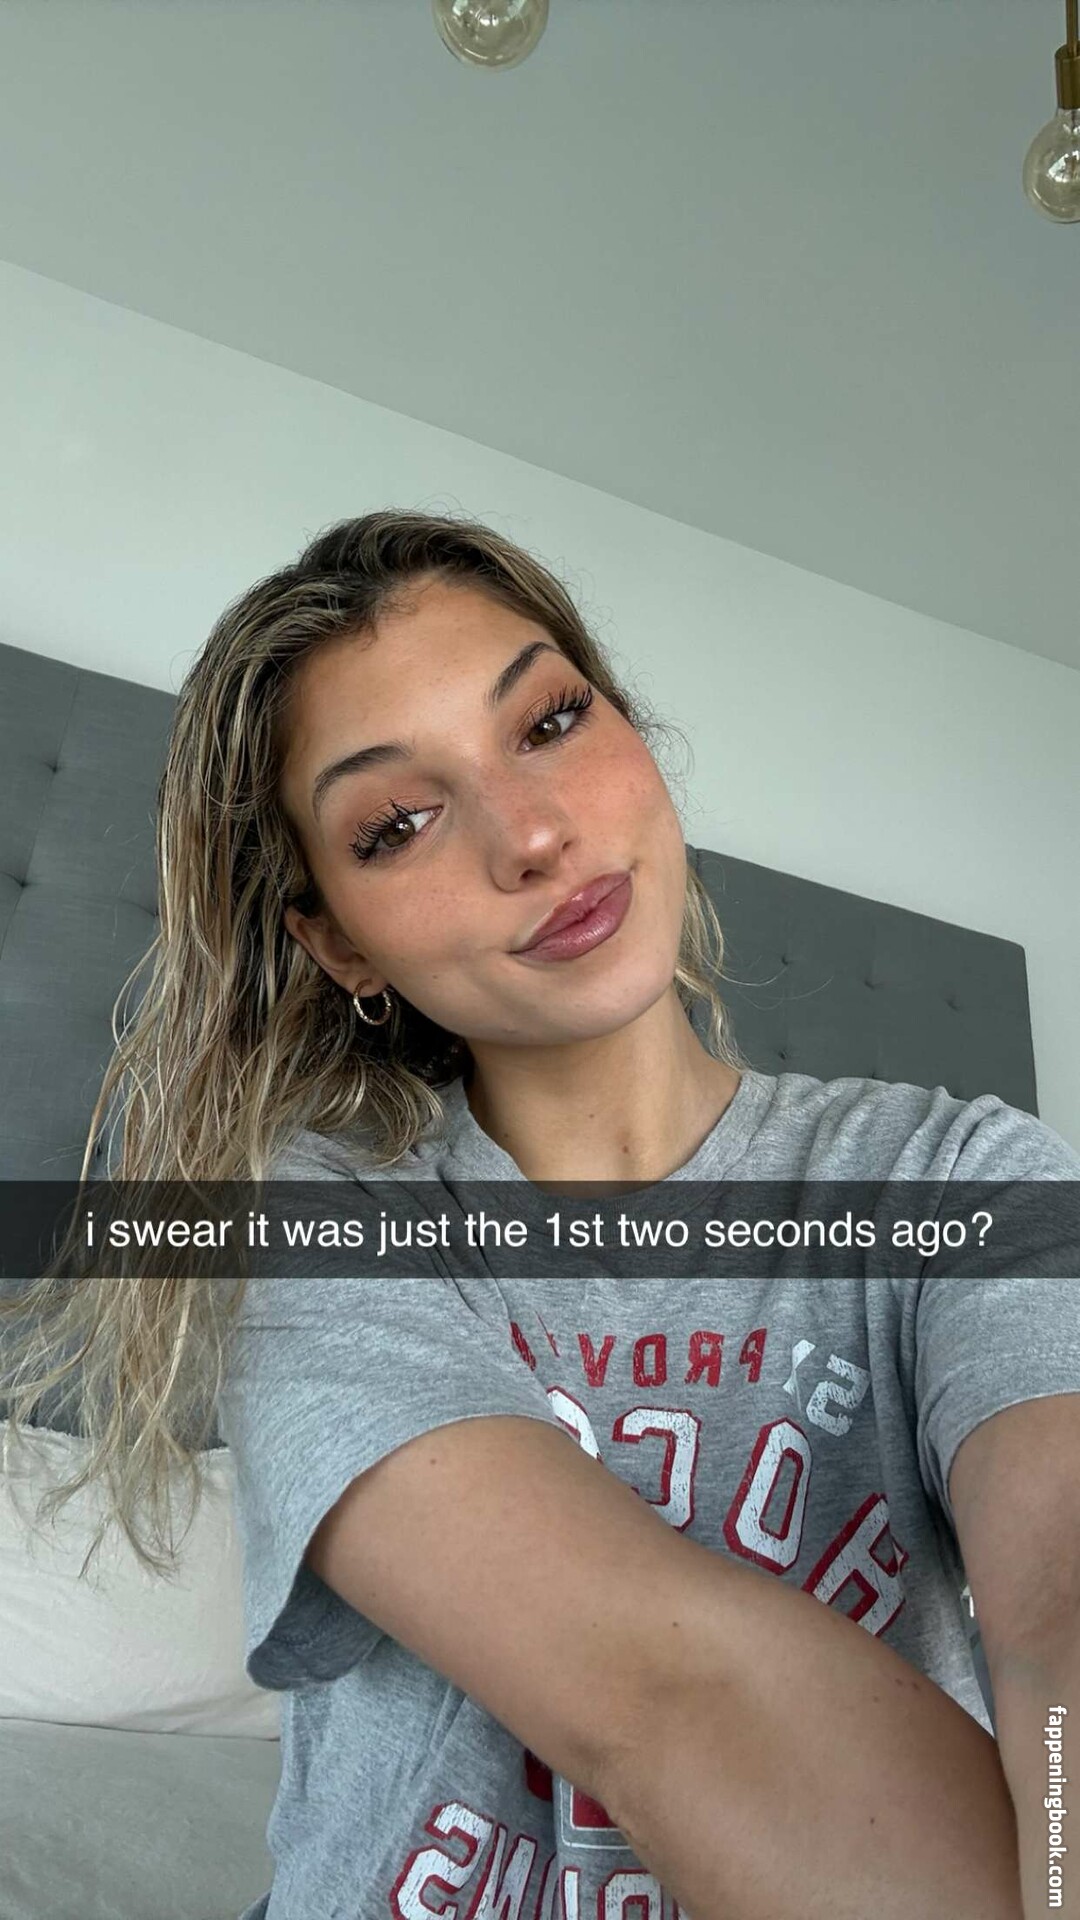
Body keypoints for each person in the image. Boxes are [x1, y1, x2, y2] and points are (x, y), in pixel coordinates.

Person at [2, 508, 1077, 1920]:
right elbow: (666, 1691)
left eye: (551, 722)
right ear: (337, 941)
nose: (531, 836)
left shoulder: (956, 1177)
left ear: (632, 731)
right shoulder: (323, 1222)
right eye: (397, 824)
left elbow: (1060, 1610)